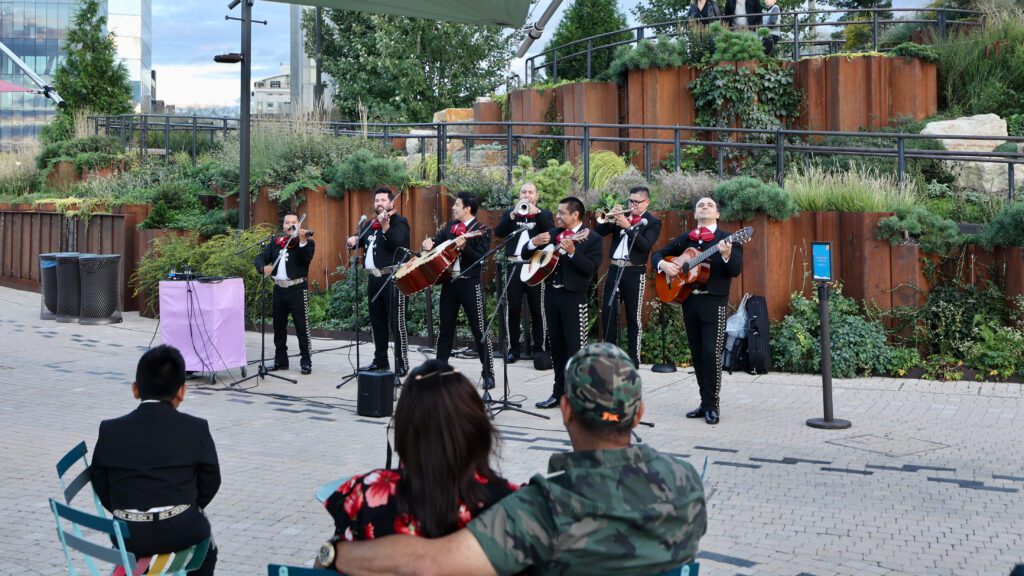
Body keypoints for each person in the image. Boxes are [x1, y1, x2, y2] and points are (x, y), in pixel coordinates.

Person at [323, 343, 708, 576]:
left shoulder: (541, 509)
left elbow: (427, 565)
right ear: (638, 414)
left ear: (566, 410)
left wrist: (335, 552)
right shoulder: (686, 484)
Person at [315, 359, 517, 568]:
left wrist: (331, 555)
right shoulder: (514, 505)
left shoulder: (365, 492)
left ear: (404, 428)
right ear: (477, 429)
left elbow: (322, 566)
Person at [90, 345, 220, 575]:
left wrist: (125, 509)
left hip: (128, 536)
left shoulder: (110, 430)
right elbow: (211, 480)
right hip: (181, 532)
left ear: (135, 390)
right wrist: (188, 503)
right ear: (182, 391)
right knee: (207, 552)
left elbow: (100, 481)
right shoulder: (196, 428)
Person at [651, 196, 743, 425]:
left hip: (713, 302)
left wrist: (725, 254)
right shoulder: (687, 238)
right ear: (694, 213)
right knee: (697, 354)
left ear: (718, 214)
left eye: (710, 205)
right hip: (689, 301)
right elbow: (657, 255)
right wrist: (664, 265)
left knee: (711, 354)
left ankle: (713, 405)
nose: (705, 207)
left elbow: (735, 270)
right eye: (700, 205)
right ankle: (704, 402)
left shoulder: (728, 239)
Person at [523, 197, 603, 409]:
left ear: (575, 214)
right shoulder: (554, 234)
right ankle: (558, 393)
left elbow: (590, 270)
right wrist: (532, 243)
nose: (557, 216)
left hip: (574, 298)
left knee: (577, 349)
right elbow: (526, 254)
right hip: (551, 296)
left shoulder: (592, 238)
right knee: (556, 348)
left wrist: (573, 252)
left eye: (561, 212)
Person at [422, 192, 495, 391]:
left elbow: (480, 258)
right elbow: (436, 243)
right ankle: (439, 372)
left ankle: (488, 373)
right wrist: (427, 243)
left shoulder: (482, 230)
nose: (453, 207)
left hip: (470, 284)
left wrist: (464, 248)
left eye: (456, 204)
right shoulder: (449, 228)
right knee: (445, 330)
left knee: (479, 329)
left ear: (467, 209)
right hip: (450, 283)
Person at [346, 187, 411, 377]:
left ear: (392, 203)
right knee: (378, 323)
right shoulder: (370, 224)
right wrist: (353, 240)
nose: (379, 204)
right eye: (377, 200)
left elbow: (396, 244)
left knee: (397, 324)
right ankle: (380, 361)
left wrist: (385, 226)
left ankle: (402, 364)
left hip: (393, 279)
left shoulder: (400, 222)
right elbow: (362, 242)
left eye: (383, 200)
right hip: (374, 279)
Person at [595, 186, 662, 369]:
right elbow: (600, 232)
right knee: (608, 313)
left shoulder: (652, 222)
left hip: (634, 271)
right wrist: (607, 219)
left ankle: (634, 358)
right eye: (630, 201)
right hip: (615, 269)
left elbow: (644, 245)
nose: (632, 205)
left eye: (636, 202)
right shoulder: (621, 218)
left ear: (646, 202)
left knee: (633, 317)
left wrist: (629, 226)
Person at [493, 182, 554, 366]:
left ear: (537, 195)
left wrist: (538, 214)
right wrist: (512, 215)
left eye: (530, 192)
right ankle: (513, 349)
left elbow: (551, 233)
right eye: (524, 192)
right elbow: (499, 232)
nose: (527, 195)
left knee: (538, 310)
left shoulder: (543, 214)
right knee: (512, 309)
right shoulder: (510, 213)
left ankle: (540, 349)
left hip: (535, 265)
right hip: (514, 264)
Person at [255, 213, 315, 375]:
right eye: (287, 222)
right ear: (283, 226)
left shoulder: (307, 243)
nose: (290, 225)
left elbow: (306, 258)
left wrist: (302, 240)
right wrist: (263, 268)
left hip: (297, 289)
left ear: (298, 224)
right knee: (278, 327)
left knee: (302, 327)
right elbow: (260, 258)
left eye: (293, 222)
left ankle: (306, 361)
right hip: (279, 289)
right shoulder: (276, 243)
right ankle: (281, 361)